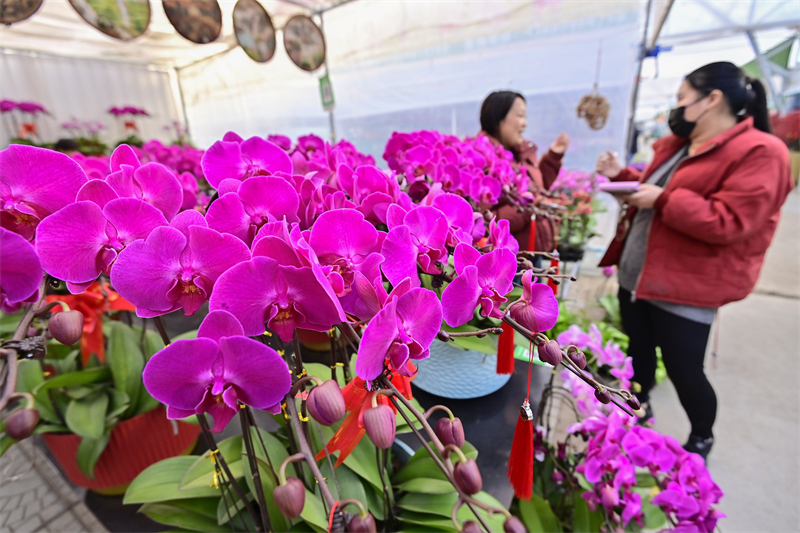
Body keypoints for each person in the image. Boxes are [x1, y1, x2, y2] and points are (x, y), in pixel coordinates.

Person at [596, 62, 793, 459]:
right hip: (637, 275)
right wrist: (625, 176)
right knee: (639, 353)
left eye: (682, 99)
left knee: (686, 371)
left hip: (685, 288)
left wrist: (663, 200)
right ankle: (639, 405)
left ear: (712, 100)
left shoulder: (761, 152)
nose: (678, 108)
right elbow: (660, 187)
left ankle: (702, 435)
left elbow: (730, 221)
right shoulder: (682, 145)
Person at [479, 90, 570, 254]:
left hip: (533, 254)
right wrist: (528, 205)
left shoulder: (520, 154)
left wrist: (552, 158)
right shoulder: (481, 161)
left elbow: (538, 189)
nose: (525, 123)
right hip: (509, 261)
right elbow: (485, 221)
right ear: (498, 118)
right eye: (520, 116)